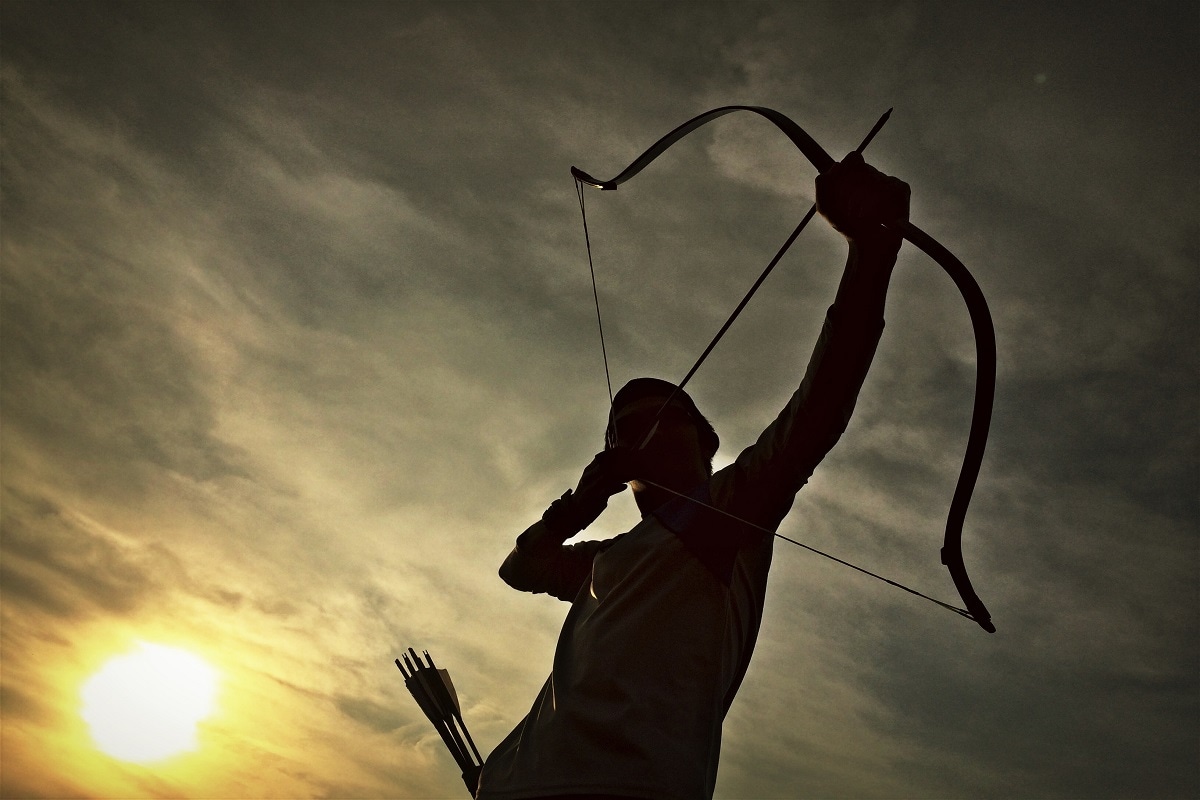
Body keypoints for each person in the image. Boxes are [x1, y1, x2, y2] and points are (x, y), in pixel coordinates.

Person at [474, 152, 910, 800]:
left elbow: (816, 414)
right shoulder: (605, 561)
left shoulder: (723, 515)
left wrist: (871, 251)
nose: (639, 436)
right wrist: (579, 504)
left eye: (661, 419)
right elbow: (520, 569)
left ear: (707, 442)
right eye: (623, 433)